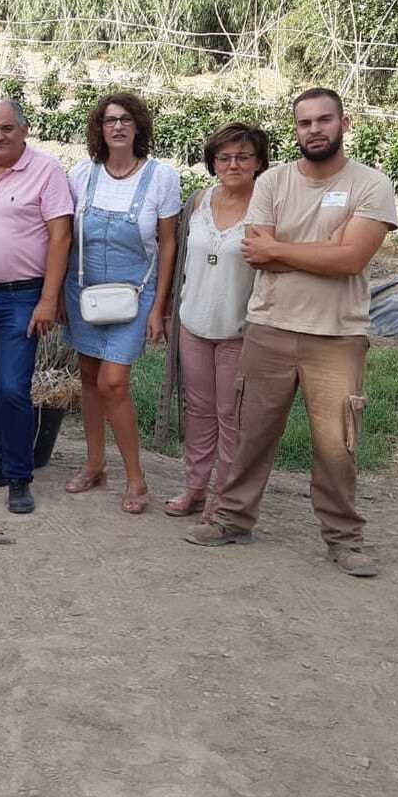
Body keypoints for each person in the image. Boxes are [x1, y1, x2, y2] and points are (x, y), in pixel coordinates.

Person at [185, 88, 398, 577]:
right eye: (305, 122)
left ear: (345, 124)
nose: (315, 129)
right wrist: (321, 251)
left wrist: (287, 251)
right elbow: (256, 250)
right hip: (269, 328)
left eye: (325, 120)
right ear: (295, 129)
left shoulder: (371, 185)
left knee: (336, 445)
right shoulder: (274, 181)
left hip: (336, 336)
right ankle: (233, 519)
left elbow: (351, 260)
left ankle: (344, 539)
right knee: (252, 435)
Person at [62, 92, 182, 515]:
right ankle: (95, 464)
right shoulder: (82, 173)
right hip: (84, 292)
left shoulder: (161, 178)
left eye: (126, 120)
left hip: (135, 295)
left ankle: (136, 476)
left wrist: (159, 307)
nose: (117, 126)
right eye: (110, 120)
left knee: (114, 383)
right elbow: (64, 237)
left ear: (138, 127)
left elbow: (168, 245)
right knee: (90, 378)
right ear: (99, 128)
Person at [0, 98, 72, 514]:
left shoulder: (47, 171)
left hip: (23, 298)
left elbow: (61, 237)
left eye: (6, 128)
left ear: (24, 129)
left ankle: (19, 476)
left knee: (12, 388)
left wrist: (48, 299)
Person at [160, 123, 270, 516]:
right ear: (213, 163)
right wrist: (170, 311)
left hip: (238, 330)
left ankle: (225, 495)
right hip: (194, 324)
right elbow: (180, 264)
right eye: (224, 157)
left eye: (243, 156)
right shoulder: (198, 202)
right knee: (199, 410)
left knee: (231, 415)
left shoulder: (266, 208)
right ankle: (195, 487)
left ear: (259, 162)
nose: (233, 164)